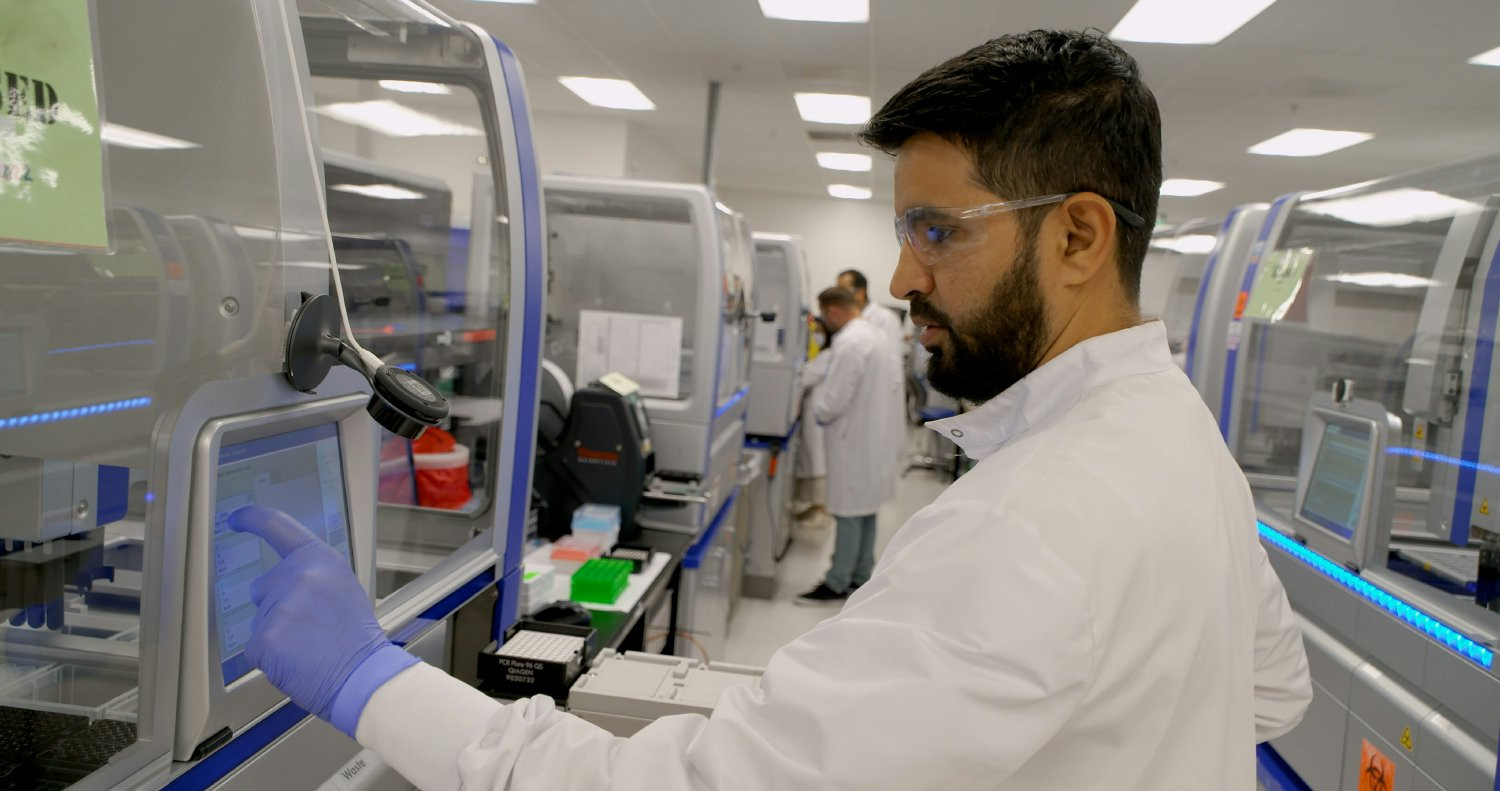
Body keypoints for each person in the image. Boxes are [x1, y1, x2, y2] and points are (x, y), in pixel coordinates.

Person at [228, 29, 1310, 790]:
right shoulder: (1179, 438)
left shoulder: (1034, 519)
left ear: (1078, 236)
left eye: (939, 230)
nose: (902, 274)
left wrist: (370, 681)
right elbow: (1270, 693)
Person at [793, 286, 903, 606]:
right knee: (865, 511)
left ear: (834, 311)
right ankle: (860, 576)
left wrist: (816, 411)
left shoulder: (850, 342)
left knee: (848, 513)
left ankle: (836, 581)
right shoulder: (874, 335)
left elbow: (834, 400)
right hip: (870, 438)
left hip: (851, 442)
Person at [836, 268, 905, 364]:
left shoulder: (886, 318)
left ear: (860, 293)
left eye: (843, 291)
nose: (838, 297)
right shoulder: (844, 318)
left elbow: (894, 360)